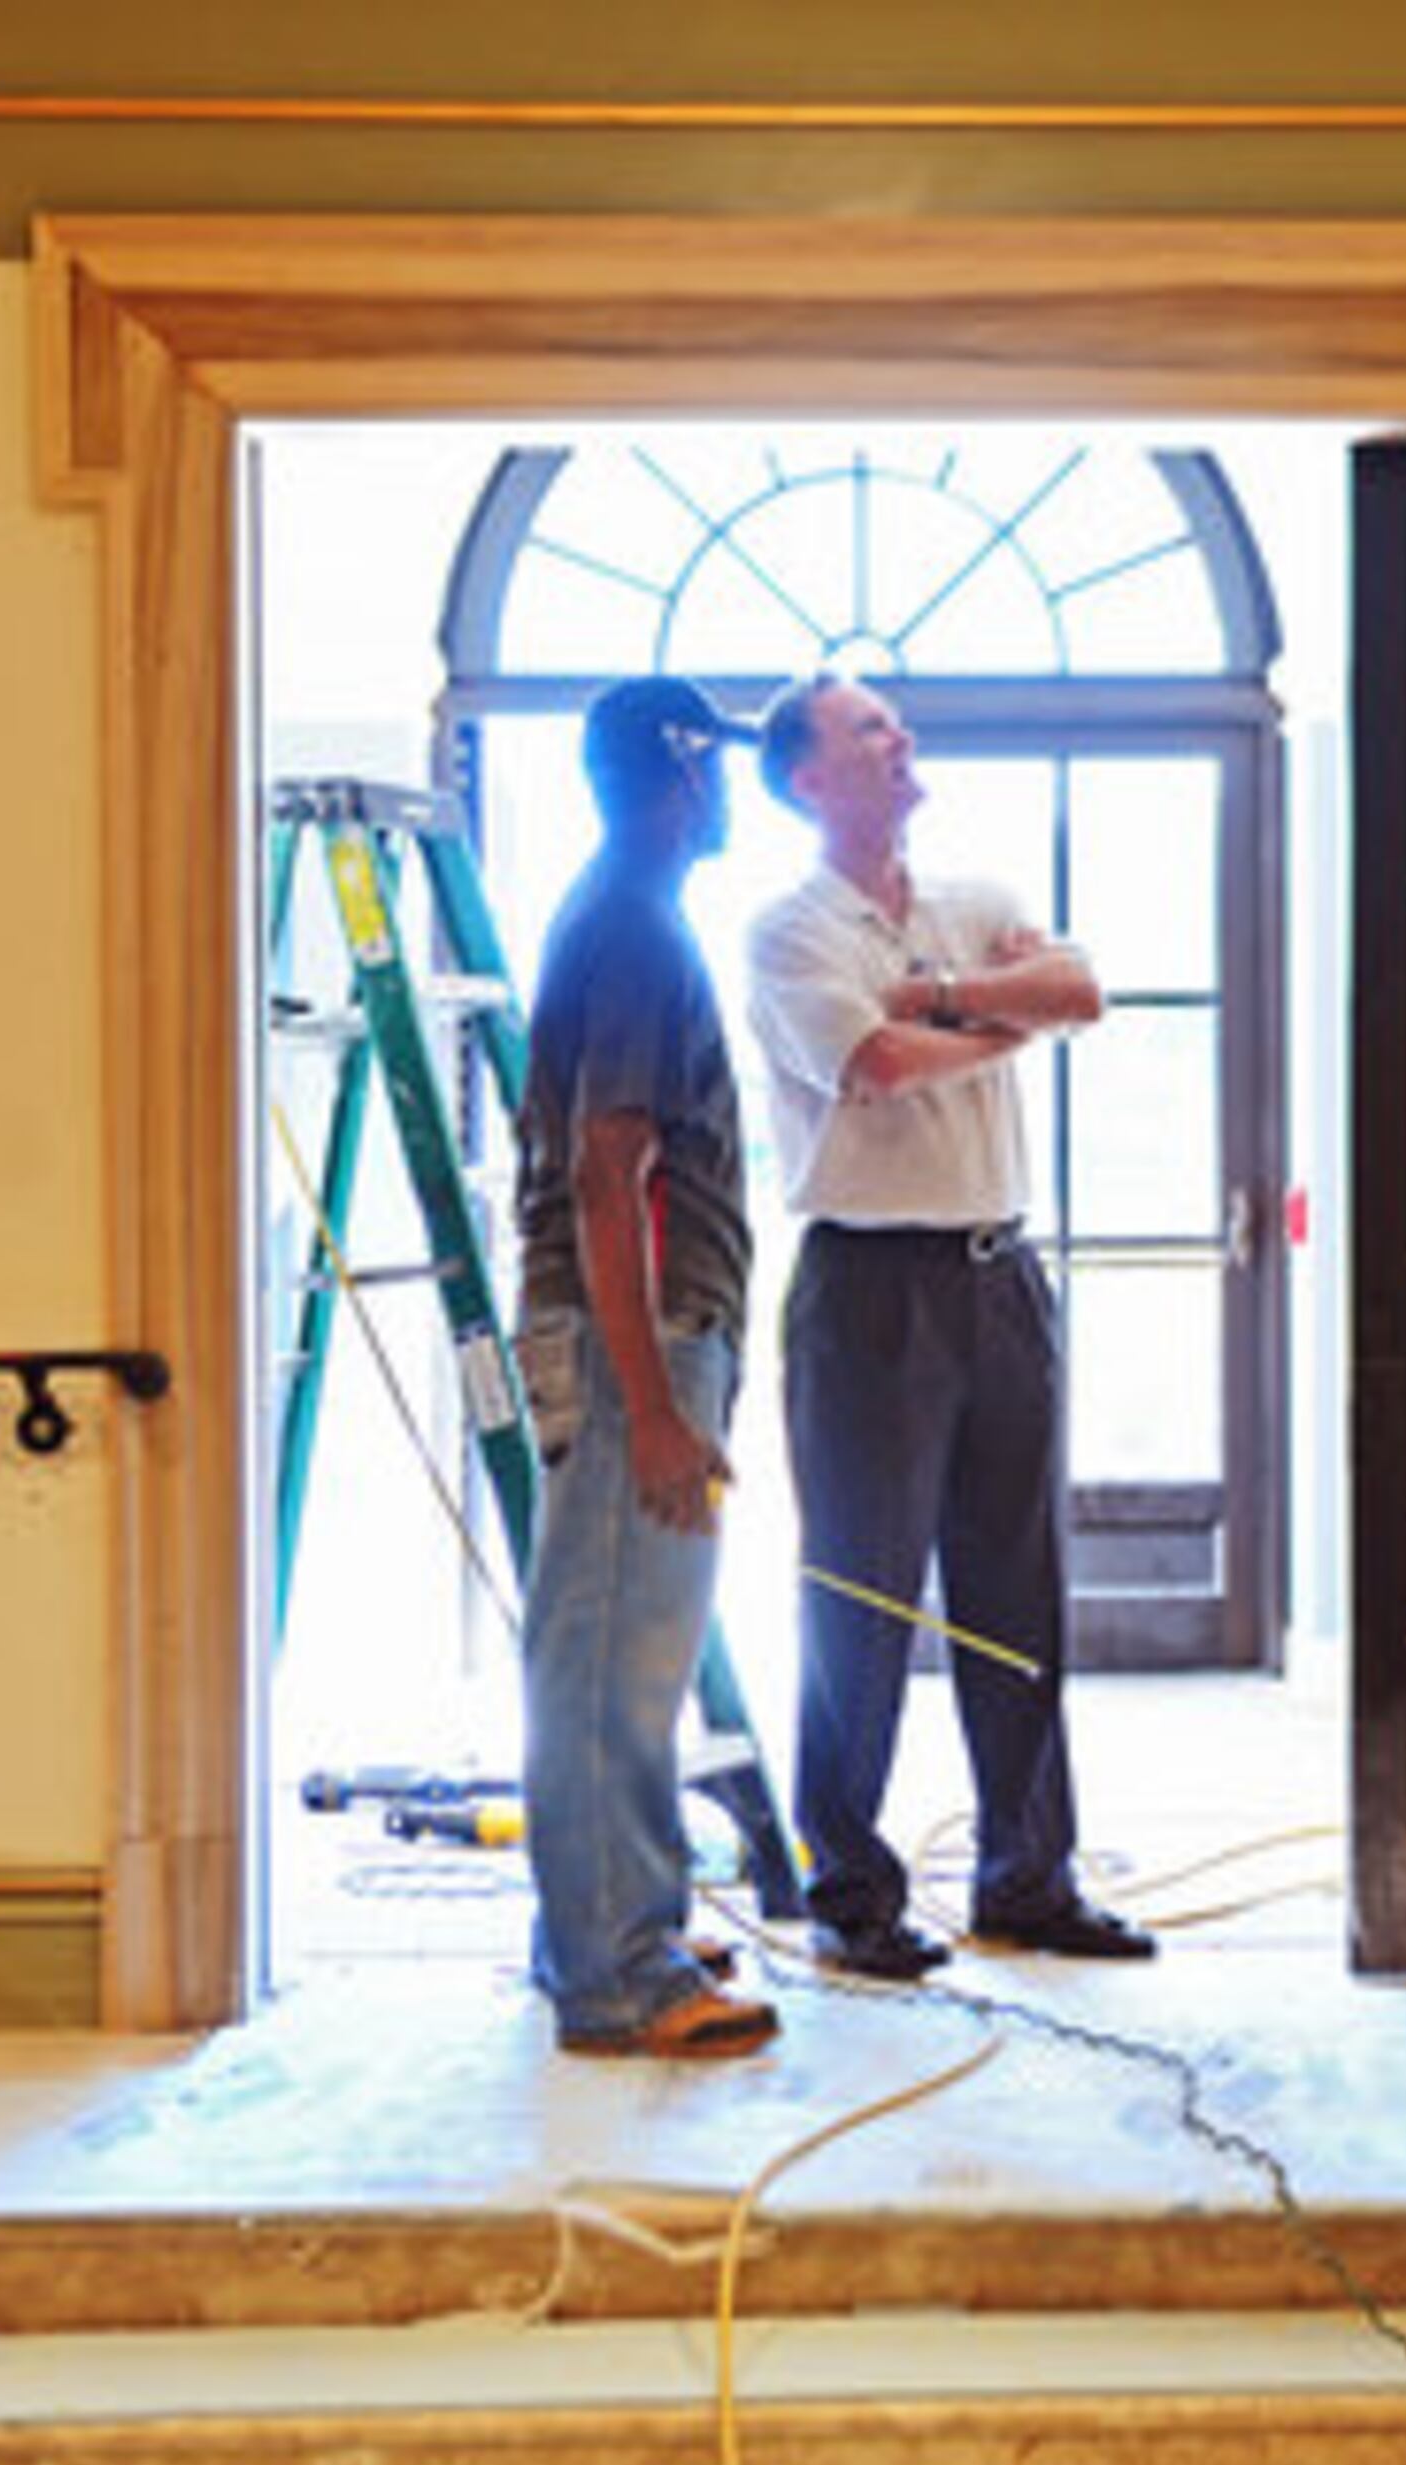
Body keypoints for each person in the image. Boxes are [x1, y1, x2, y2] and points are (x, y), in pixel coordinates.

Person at [744, 673, 1157, 1980]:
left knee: (1017, 1589)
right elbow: (869, 1067)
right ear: (809, 777)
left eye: (896, 722)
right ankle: (853, 1898)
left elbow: (1082, 990)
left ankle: (1027, 1879)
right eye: (869, 727)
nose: (900, 739)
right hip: (871, 1293)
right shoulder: (789, 930)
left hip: (1001, 1280)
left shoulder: (972, 901)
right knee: (862, 1599)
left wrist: (938, 1005)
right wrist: (992, 1014)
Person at [510, 676, 779, 2058]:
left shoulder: (622, 919)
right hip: (640, 1348)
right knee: (618, 1651)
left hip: (643, 1341)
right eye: (716, 766)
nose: (731, 791)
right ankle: (620, 1973)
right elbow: (611, 1178)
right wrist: (662, 1410)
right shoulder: (632, 932)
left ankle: (612, 1918)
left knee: (611, 1644)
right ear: (679, 776)